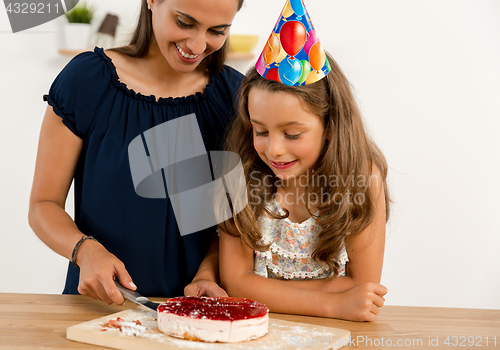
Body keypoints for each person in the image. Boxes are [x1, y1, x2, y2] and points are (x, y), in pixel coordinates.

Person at [28, 0, 245, 305]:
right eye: (184, 22)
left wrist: (208, 274)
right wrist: (84, 249)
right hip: (98, 309)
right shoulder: (87, 82)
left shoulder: (234, 97)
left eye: (218, 31)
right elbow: (43, 205)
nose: (197, 45)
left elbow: (232, 222)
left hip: (196, 317)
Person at [218, 52, 390, 322]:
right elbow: (236, 283)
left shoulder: (363, 179)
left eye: (292, 134)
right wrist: (333, 304)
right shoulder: (242, 173)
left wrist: (261, 287)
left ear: (330, 126)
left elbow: (363, 287)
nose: (274, 150)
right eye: (260, 131)